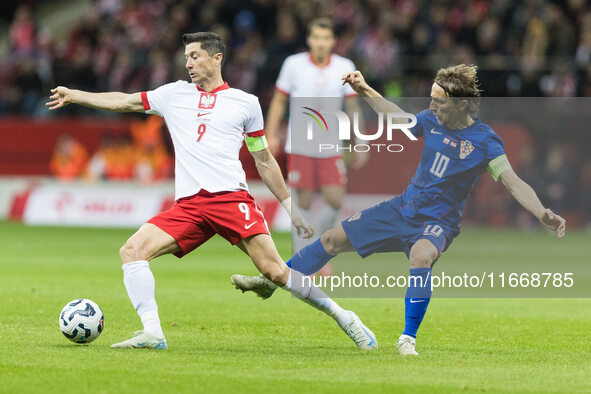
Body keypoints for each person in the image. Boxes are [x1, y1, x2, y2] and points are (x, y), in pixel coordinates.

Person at [46, 32, 377, 350]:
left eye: (195, 56)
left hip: (230, 199)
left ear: (216, 58)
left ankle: (345, 318)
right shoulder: (173, 94)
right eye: (186, 57)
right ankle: (152, 332)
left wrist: (291, 208)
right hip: (189, 205)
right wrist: (76, 94)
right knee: (132, 251)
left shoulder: (245, 103)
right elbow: (124, 101)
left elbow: (263, 159)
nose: (188, 63)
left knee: (274, 271)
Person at [231, 64, 567, 356]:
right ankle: (270, 283)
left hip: (437, 223)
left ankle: (407, 339)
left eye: (439, 99)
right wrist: (363, 88)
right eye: (431, 96)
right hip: (401, 208)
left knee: (421, 256)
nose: (431, 104)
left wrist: (542, 212)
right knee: (331, 239)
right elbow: (396, 116)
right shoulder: (430, 120)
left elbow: (512, 182)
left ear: (462, 103)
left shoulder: (486, 141)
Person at [266, 18, 368, 274]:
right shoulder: (294, 65)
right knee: (304, 202)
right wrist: (270, 134)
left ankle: (317, 247)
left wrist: (362, 140)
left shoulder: (345, 66)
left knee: (335, 200)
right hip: (299, 144)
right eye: (316, 37)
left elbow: (354, 106)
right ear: (309, 40)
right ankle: (306, 257)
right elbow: (279, 100)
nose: (321, 43)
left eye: (326, 38)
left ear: (333, 41)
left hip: (330, 145)